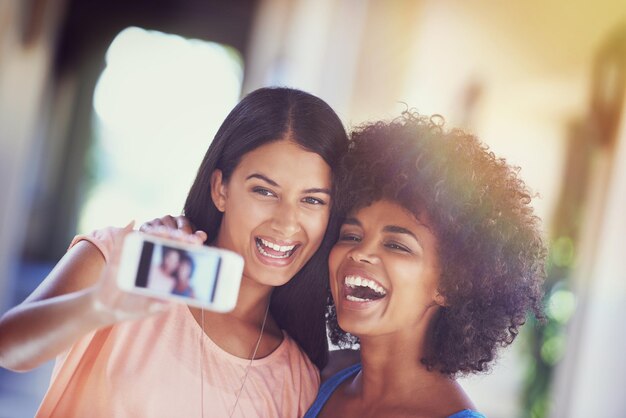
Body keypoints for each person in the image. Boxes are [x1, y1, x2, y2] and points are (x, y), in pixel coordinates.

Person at [0, 87, 348, 417]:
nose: (287, 223)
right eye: (265, 191)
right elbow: (9, 348)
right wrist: (99, 305)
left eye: (312, 200)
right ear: (220, 189)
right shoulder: (124, 263)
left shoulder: (297, 379)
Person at [305, 112, 546, 417]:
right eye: (351, 235)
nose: (360, 252)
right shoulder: (318, 378)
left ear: (450, 283)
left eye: (396, 245)